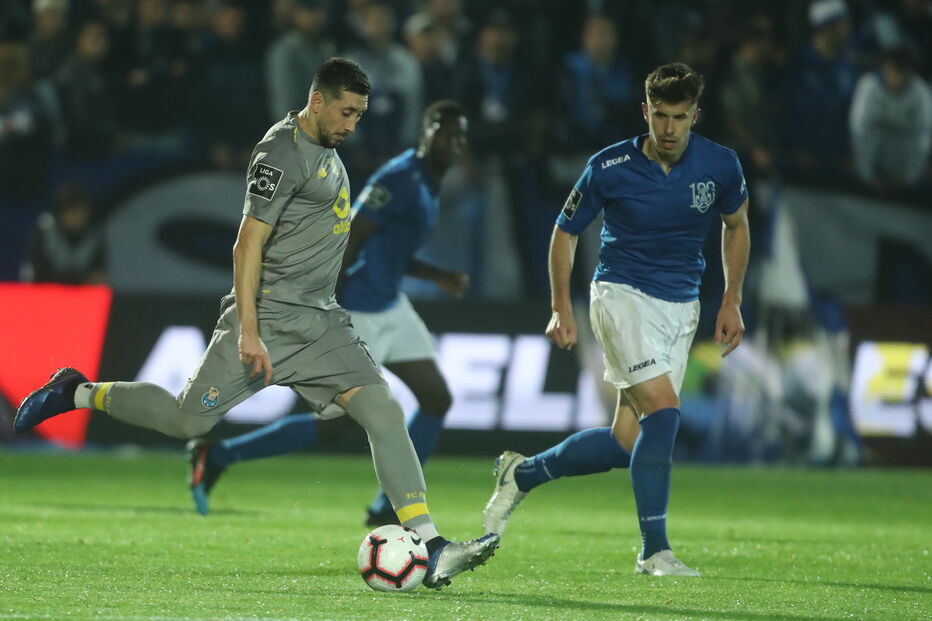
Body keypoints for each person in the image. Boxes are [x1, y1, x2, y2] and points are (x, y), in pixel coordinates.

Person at [14, 58, 498, 590]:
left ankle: (432, 547)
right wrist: (248, 329)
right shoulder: (279, 152)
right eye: (346, 112)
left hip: (321, 321)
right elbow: (247, 244)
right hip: (269, 318)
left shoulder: (328, 149)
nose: (352, 124)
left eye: (358, 114)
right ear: (317, 101)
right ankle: (77, 392)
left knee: (383, 410)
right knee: (186, 422)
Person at [483, 63, 750, 577]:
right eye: (661, 116)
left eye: (680, 117)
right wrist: (561, 305)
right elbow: (565, 233)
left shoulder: (721, 165)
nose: (669, 129)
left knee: (627, 441)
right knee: (666, 413)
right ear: (645, 111)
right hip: (620, 296)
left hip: (681, 306)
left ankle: (523, 474)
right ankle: (654, 551)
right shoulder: (609, 166)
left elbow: (735, 225)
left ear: (696, 115)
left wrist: (732, 298)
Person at [187, 100, 470, 528]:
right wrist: (326, 303)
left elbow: (393, 249)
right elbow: (352, 234)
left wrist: (437, 275)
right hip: (360, 309)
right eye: (443, 131)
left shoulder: (431, 182)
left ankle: (384, 508)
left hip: (392, 303)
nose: (453, 141)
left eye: (459, 134)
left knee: (436, 398)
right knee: (336, 426)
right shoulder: (400, 178)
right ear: (424, 133)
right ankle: (220, 454)